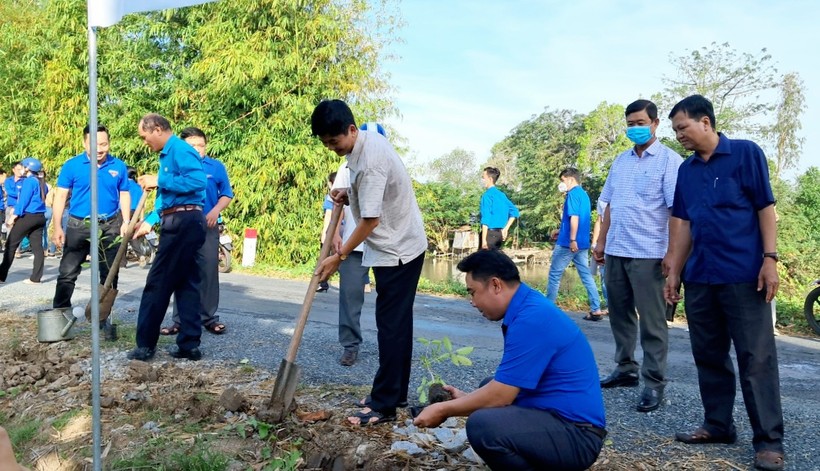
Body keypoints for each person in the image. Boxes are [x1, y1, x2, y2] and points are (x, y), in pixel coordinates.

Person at [664, 95, 784, 471]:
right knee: (709, 354)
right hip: (701, 276)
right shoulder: (687, 171)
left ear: (705, 122)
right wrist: (674, 271)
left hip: (744, 275)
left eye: (682, 127)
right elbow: (684, 223)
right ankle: (718, 425)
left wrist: (770, 259)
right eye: (675, 130)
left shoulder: (746, 154)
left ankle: (768, 441)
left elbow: (765, 208)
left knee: (756, 359)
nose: (679, 135)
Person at [414, 250, 605, 470]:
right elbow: (505, 388)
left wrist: (443, 410)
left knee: (482, 426)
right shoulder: (528, 305)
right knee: (487, 385)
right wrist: (465, 399)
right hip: (559, 418)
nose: (472, 302)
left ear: (496, 285)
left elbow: (501, 395)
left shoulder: (532, 319)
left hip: (578, 436)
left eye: (473, 292)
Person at [312, 99, 427, 425]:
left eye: (334, 141)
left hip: (398, 250)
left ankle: (384, 405)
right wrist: (350, 195)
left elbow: (370, 221)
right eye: (326, 143)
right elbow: (372, 193)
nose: (332, 148)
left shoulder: (371, 161)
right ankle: (394, 393)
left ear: (351, 129)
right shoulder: (364, 143)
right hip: (398, 244)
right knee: (397, 325)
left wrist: (339, 256)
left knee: (391, 327)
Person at [592, 99, 682, 414]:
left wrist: (672, 254)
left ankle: (654, 382)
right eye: (630, 124)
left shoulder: (670, 161)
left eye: (641, 123)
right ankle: (625, 368)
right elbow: (608, 204)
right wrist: (601, 242)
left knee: (653, 322)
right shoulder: (621, 161)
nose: (635, 129)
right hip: (617, 250)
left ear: (655, 123)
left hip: (650, 254)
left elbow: (676, 211)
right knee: (620, 315)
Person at [128, 114, 207, 362]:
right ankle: (189, 345)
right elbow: (168, 197)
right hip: (184, 220)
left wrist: (159, 179)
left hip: (183, 222)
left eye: (145, 137)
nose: (145, 142)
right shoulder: (169, 153)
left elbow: (198, 181)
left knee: (158, 282)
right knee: (186, 283)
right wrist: (149, 220)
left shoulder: (179, 150)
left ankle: (145, 345)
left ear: (158, 129)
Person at [51, 125, 131, 335]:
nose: (99, 149)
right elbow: (61, 196)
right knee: (68, 272)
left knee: (109, 274)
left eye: (104, 144)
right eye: (94, 144)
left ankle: (102, 320)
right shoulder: (72, 166)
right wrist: (57, 226)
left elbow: (124, 193)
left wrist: (126, 221)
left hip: (109, 224)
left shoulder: (118, 166)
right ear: (84, 143)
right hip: (79, 225)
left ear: (109, 143)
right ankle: (59, 317)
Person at [157, 127, 233, 336]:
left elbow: (226, 194)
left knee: (208, 271)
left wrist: (215, 211)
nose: (198, 149)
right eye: (193, 146)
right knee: (181, 271)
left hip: (207, 226)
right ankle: (179, 320)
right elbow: (163, 195)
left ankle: (209, 318)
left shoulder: (216, 167)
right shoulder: (175, 165)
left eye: (201, 145)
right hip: (181, 225)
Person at [329, 122, 386, 366]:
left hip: (383, 246)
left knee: (388, 301)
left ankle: (389, 348)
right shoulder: (345, 167)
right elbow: (336, 203)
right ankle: (350, 345)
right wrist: (334, 234)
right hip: (353, 245)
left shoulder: (386, 164)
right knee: (350, 298)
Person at [545, 168, 604, 319]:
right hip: (582, 243)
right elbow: (578, 220)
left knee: (554, 275)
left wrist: (572, 240)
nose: (561, 184)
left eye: (563, 180)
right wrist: (561, 231)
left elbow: (575, 218)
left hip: (568, 244)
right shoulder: (584, 195)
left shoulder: (572, 194)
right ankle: (596, 309)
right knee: (586, 276)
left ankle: (547, 310)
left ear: (571, 179)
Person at [0, 157, 48, 283]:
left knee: (11, 244)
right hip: (40, 216)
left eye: (22, 167)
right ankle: (35, 278)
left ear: (27, 168)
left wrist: (13, 217)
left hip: (28, 216)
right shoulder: (41, 182)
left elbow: (23, 201)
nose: (21, 169)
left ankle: (1, 275)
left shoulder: (29, 182)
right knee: (38, 248)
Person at [479, 167, 519, 249]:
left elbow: (486, 219)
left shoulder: (487, 195)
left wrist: (484, 241)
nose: (482, 180)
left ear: (490, 179)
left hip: (489, 235)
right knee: (496, 256)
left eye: (483, 177)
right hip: (499, 235)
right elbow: (515, 212)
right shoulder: (501, 195)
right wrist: (506, 229)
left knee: (485, 257)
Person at [316, 172, 336, 293]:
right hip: (346, 234)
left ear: (330, 183)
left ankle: (322, 282)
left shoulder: (330, 196)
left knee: (325, 258)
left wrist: (324, 234)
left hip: (333, 233)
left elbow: (328, 216)